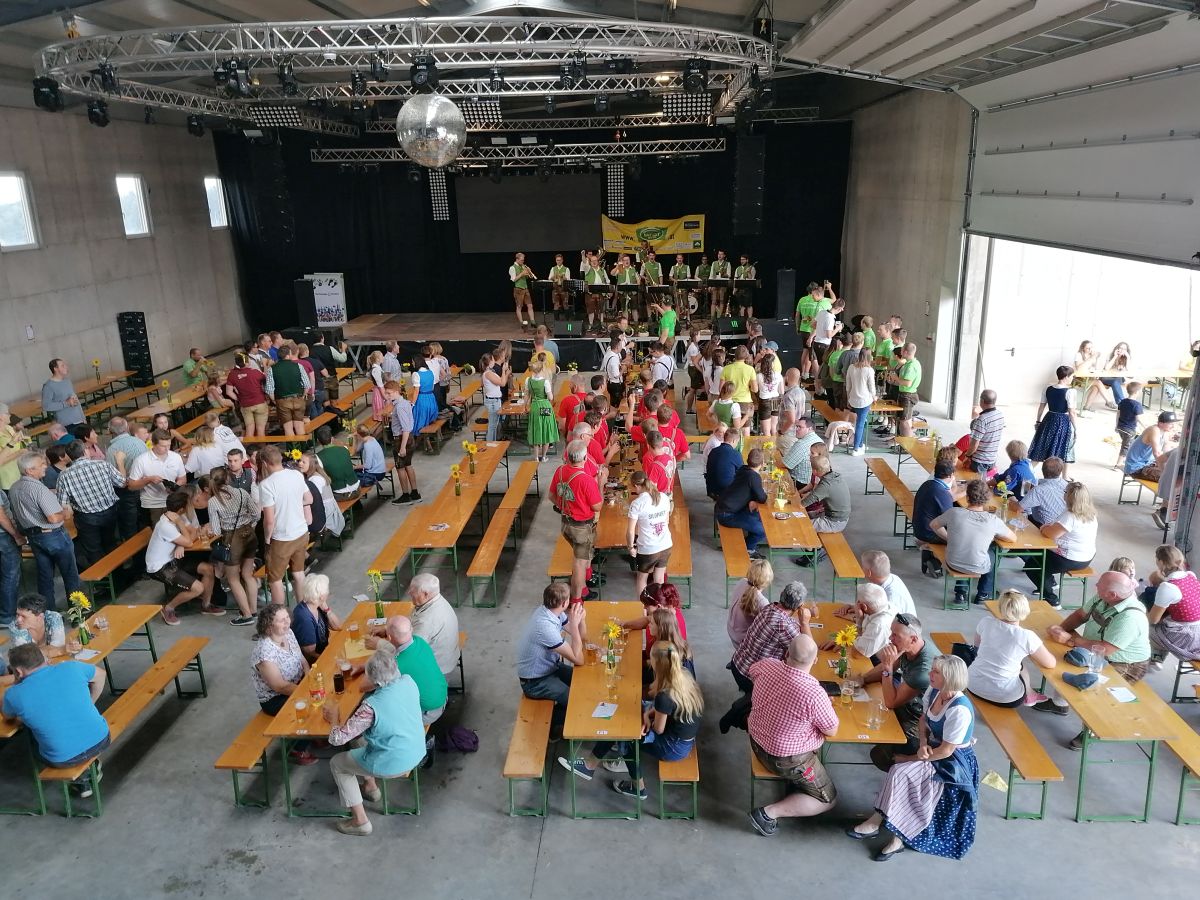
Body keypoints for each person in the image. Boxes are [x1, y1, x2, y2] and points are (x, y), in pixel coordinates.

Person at [848, 654, 979, 861]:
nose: (930, 673)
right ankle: (878, 820)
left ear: (949, 678)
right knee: (899, 771)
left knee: (902, 773)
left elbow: (946, 751)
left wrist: (910, 758)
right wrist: (923, 743)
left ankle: (897, 836)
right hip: (932, 749)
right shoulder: (935, 691)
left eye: (936, 672)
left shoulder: (960, 710)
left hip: (953, 762)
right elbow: (923, 720)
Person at [559, 640, 702, 801]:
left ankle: (637, 788)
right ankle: (589, 764)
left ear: (658, 665)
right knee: (624, 723)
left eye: (651, 659)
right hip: (682, 737)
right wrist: (647, 714)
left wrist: (646, 718)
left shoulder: (664, 696)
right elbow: (667, 710)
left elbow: (658, 729)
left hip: (673, 747)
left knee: (626, 736)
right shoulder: (683, 676)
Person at [1034, 571, 1149, 750]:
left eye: (1099, 585)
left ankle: (1091, 731)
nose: (1095, 586)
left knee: (1093, 687)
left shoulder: (1130, 618)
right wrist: (1060, 629)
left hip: (1124, 664)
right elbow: (1080, 615)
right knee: (1065, 661)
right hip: (1096, 651)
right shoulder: (1103, 597)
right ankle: (1059, 704)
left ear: (1112, 595)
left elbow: (1106, 648)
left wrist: (1071, 640)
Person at [324, 645, 426, 836]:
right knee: (359, 739)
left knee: (337, 764)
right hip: (417, 749)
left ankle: (360, 821)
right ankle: (370, 787)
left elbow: (336, 739)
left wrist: (334, 719)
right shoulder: (408, 681)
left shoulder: (369, 708)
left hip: (391, 762)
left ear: (374, 680)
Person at [745, 634, 839, 836]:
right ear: (815, 660)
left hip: (756, 741)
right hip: (785, 760)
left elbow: (752, 671)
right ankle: (768, 813)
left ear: (786, 653)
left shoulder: (767, 665)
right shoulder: (814, 694)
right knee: (828, 800)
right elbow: (831, 730)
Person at [2, 643, 109, 795]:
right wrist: (91, 701)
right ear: (43, 658)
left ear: (18, 671)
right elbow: (101, 675)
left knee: (30, 730)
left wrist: (16, 684)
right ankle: (88, 768)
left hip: (62, 759)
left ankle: (82, 778)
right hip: (102, 738)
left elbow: (8, 716)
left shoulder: (14, 695)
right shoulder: (71, 667)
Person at [720, 582, 811, 733]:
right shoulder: (784, 626)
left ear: (781, 594)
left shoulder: (769, 608)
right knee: (785, 693)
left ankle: (749, 700)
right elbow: (809, 653)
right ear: (799, 606)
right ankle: (738, 712)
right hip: (750, 675)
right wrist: (805, 622)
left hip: (738, 662)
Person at [863, 613, 937, 770]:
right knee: (867, 705)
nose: (890, 638)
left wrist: (887, 667)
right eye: (891, 632)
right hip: (911, 702)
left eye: (895, 635)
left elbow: (891, 702)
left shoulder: (922, 672)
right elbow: (892, 664)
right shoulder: (909, 647)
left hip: (923, 720)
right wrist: (862, 679)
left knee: (881, 756)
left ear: (913, 639)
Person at [8, 451, 82, 606]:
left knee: (44, 577)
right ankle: (78, 612)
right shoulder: (38, 489)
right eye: (41, 464)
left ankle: (47, 613)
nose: (45, 466)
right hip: (53, 535)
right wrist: (66, 512)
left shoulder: (14, 488)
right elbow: (53, 518)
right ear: (29, 470)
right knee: (70, 574)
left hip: (34, 537)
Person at [929, 479, 1013, 606]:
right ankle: (984, 593)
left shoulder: (954, 512)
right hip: (977, 566)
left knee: (965, 545)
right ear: (987, 499)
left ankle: (961, 593)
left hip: (952, 562)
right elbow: (1012, 538)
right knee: (995, 548)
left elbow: (933, 525)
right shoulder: (993, 520)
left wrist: (948, 538)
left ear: (967, 497)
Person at [250, 604, 315, 765]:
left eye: (287, 618)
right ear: (269, 626)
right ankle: (297, 749)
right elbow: (279, 686)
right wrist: (307, 692)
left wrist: (309, 676)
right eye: (281, 620)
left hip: (297, 683)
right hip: (275, 698)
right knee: (309, 707)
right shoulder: (265, 652)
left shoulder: (288, 633)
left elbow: (301, 659)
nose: (287, 622)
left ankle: (313, 734)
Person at [968, 589, 1056, 707]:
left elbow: (977, 646)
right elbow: (1050, 663)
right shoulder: (1027, 636)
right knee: (1020, 666)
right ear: (1025, 610)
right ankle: (1030, 694)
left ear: (1000, 607)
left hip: (972, 685)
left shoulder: (986, 622)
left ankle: (1030, 693)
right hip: (1005, 697)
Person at [516, 583, 586, 728]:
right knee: (574, 700)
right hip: (535, 682)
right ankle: (551, 726)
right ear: (564, 603)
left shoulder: (551, 611)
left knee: (583, 682)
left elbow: (582, 638)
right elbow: (578, 659)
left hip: (551, 668)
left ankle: (563, 714)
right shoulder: (545, 627)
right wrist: (575, 624)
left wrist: (581, 620)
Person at [145, 489, 218, 625]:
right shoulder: (166, 525)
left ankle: (206, 605)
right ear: (181, 509)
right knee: (198, 588)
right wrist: (182, 532)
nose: (191, 506)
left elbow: (194, 531)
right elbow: (190, 541)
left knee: (208, 569)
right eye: (188, 504)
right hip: (160, 566)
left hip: (173, 558)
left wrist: (180, 544)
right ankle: (168, 608)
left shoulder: (177, 516)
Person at [1021, 481, 1097, 607]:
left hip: (1069, 559)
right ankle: (1048, 582)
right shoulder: (1091, 514)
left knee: (1032, 566)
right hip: (1086, 557)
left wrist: (1043, 528)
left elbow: (1050, 534)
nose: (1064, 494)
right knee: (1040, 557)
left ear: (1069, 496)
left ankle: (1051, 599)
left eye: (1065, 492)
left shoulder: (1070, 516)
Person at [366, 615, 448, 727]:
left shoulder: (396, 666)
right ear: (411, 629)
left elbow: (365, 686)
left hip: (427, 713)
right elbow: (398, 650)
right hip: (442, 696)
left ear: (389, 637)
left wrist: (370, 661)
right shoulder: (419, 641)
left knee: (379, 700)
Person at [55, 440, 123, 571]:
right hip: (110, 512)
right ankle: (118, 575)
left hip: (86, 518)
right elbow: (121, 482)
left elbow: (63, 504)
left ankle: (102, 576)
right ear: (85, 451)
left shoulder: (63, 476)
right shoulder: (103, 464)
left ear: (69, 456)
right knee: (110, 543)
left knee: (94, 550)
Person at [258, 446, 312, 606]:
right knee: (299, 573)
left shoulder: (266, 484)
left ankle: (279, 614)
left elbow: (269, 520)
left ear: (265, 463)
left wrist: (267, 539)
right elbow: (308, 498)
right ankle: (304, 610)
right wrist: (293, 504)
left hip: (282, 537)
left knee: (275, 579)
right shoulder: (296, 474)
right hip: (301, 532)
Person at [205, 465, 259, 626]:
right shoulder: (242, 492)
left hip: (231, 539)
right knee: (248, 575)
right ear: (228, 478)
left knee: (233, 579)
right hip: (249, 534)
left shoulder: (213, 501)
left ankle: (246, 615)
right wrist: (249, 525)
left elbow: (216, 530)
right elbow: (256, 514)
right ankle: (253, 611)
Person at [550, 442, 603, 604]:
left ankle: (585, 584)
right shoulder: (586, 480)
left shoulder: (560, 471)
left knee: (582, 556)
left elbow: (552, 496)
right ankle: (577, 599)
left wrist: (565, 507)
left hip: (566, 523)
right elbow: (597, 506)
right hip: (581, 527)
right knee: (578, 564)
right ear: (585, 458)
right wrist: (600, 483)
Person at [1143, 545, 1200, 672]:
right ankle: (1156, 658)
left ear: (1161, 562)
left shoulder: (1168, 587)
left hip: (1186, 638)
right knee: (1165, 622)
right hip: (1198, 632)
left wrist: (1141, 609)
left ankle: (1136, 663)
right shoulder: (1191, 575)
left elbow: (1153, 619)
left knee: (1142, 625)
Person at [626, 470, 672, 595]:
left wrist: (630, 548)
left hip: (648, 548)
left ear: (636, 486)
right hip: (666, 544)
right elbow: (666, 521)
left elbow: (630, 531)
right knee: (659, 580)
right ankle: (658, 603)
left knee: (642, 578)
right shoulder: (663, 497)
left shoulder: (637, 503)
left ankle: (643, 605)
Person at [716, 447, 768, 557]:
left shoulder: (743, 469)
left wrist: (753, 500)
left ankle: (747, 542)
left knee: (758, 516)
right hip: (727, 515)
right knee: (763, 530)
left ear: (748, 460)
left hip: (723, 507)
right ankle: (749, 549)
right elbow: (762, 498)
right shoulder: (754, 476)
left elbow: (747, 489)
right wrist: (756, 499)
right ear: (762, 463)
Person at [127, 429, 186, 524]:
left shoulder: (176, 457)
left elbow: (183, 479)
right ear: (153, 444)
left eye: (169, 445)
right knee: (158, 530)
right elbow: (131, 486)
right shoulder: (141, 460)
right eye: (163, 446)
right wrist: (148, 480)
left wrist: (175, 486)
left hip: (173, 501)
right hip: (153, 505)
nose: (167, 449)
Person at [407, 573, 460, 678]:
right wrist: (388, 629)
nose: (409, 593)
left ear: (425, 594)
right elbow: (414, 618)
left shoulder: (427, 620)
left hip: (438, 668)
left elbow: (410, 649)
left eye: (413, 591)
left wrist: (380, 643)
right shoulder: (435, 599)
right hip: (449, 654)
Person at [827, 582, 895, 659]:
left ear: (863, 607)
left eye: (858, 601)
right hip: (868, 650)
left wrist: (859, 620)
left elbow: (857, 654)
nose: (856, 603)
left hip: (876, 660)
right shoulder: (883, 605)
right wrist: (851, 607)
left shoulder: (878, 625)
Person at [1029, 365, 1077, 467]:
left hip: (1048, 419)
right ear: (1066, 377)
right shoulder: (1070, 392)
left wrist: (1038, 421)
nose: (1073, 378)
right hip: (1062, 421)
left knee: (1041, 446)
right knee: (1063, 448)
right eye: (1072, 376)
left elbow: (1041, 406)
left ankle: (1028, 471)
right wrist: (1075, 428)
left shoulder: (1047, 388)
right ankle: (1061, 474)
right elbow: (1072, 412)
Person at [290, 573, 342, 663]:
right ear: (322, 596)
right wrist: (330, 660)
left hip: (323, 652)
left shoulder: (317, 605)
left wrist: (326, 609)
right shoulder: (304, 618)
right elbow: (310, 652)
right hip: (313, 662)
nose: (329, 593)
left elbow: (338, 626)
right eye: (327, 590)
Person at [795, 455, 850, 540]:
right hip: (838, 517)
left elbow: (802, 504)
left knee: (802, 525)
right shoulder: (835, 476)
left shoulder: (825, 485)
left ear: (814, 471)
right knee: (805, 515)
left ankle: (811, 546)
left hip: (834, 522)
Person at [265, 344, 311, 437]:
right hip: (298, 398)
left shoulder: (272, 369)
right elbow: (307, 385)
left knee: (288, 428)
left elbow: (269, 390)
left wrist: (275, 401)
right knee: (299, 426)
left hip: (282, 401)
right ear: (288, 354)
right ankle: (302, 445)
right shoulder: (298, 366)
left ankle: (292, 446)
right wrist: (303, 395)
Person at [299, 451, 345, 539]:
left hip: (326, 512)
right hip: (327, 507)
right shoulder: (316, 474)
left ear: (311, 465)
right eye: (300, 461)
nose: (300, 464)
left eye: (304, 462)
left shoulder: (315, 479)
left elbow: (315, 500)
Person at [1123, 411, 1178, 482]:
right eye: (1171, 424)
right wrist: (1165, 472)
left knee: (1176, 472)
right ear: (1161, 423)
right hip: (1137, 468)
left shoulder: (1165, 432)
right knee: (1171, 478)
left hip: (1149, 464)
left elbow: (1166, 453)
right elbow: (1157, 454)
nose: (1173, 426)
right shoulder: (1154, 430)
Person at [226, 352, 269, 437]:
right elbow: (266, 379)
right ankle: (262, 445)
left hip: (245, 405)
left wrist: (239, 398)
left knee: (249, 428)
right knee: (260, 429)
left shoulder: (232, 374)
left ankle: (249, 445)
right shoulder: (255, 372)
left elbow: (228, 392)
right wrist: (265, 366)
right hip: (259, 402)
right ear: (246, 362)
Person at [526, 353, 558, 464]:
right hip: (545, 405)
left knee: (536, 430)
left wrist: (526, 405)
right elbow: (550, 397)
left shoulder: (528, 380)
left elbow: (527, 395)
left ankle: (535, 457)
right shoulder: (545, 382)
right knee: (546, 430)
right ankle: (543, 457)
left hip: (535, 406)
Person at [860, 550, 916, 615]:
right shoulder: (892, 577)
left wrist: (860, 617)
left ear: (869, 573)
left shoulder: (891, 599)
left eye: (862, 567)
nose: (861, 568)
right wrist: (858, 608)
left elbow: (883, 619)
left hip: (896, 620)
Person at [963, 390, 1005, 475]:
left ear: (982, 401)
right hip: (992, 460)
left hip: (979, 462)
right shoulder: (1000, 415)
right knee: (983, 481)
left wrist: (967, 456)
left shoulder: (982, 419)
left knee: (975, 482)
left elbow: (974, 444)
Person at [1019, 455, 1067, 527]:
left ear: (1042, 469)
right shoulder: (1066, 484)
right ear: (1060, 471)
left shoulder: (1038, 490)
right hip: (1063, 525)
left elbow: (1018, 509)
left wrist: (1011, 499)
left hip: (1045, 527)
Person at [0, 489, 24, 628]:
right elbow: (1, 516)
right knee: (10, 576)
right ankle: (7, 616)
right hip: (3, 536)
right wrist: (16, 535)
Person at [315, 426, 359, 498]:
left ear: (318, 441)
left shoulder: (318, 457)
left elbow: (324, 478)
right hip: (357, 488)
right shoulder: (344, 448)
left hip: (339, 494)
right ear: (332, 438)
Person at [41, 358, 85, 427]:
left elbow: (75, 399)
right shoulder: (48, 386)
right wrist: (66, 403)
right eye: (62, 365)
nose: (66, 367)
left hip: (79, 420)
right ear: (55, 369)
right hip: (66, 423)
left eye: (65, 365)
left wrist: (83, 417)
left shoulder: (67, 381)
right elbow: (46, 406)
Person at [1113, 381, 1145, 466]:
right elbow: (1139, 418)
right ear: (1137, 392)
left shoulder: (1122, 402)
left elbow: (1118, 414)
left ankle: (1125, 460)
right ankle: (1118, 464)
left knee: (1130, 444)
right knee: (1126, 446)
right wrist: (1145, 427)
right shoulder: (1137, 405)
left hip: (1120, 427)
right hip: (1129, 430)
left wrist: (1116, 425)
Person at [705, 427, 741, 499]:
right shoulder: (735, 454)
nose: (737, 444)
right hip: (725, 490)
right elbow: (741, 471)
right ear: (734, 441)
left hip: (711, 488)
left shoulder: (713, 451)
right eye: (737, 442)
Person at [352, 424, 387, 488]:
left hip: (377, 473)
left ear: (359, 435)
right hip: (380, 470)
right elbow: (357, 450)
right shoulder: (371, 439)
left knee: (351, 474)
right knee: (354, 471)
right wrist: (355, 438)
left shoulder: (368, 445)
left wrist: (354, 467)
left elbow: (367, 466)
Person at [509, 251, 536, 328]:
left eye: (523, 260)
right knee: (519, 307)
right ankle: (522, 323)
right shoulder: (512, 268)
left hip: (525, 288)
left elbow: (529, 277)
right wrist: (522, 273)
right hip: (518, 289)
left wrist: (529, 272)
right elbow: (514, 279)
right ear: (517, 259)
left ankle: (533, 322)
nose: (523, 262)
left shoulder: (523, 266)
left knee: (530, 305)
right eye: (521, 260)